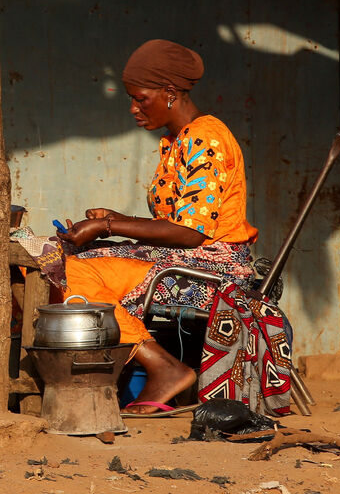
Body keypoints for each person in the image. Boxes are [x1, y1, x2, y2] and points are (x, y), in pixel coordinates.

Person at [57, 39, 257, 415]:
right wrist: (112, 219)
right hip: (187, 257)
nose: (133, 109)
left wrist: (109, 226)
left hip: (214, 271)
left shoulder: (205, 139)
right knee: (62, 259)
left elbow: (192, 233)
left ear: (169, 93)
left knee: (73, 270)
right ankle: (145, 365)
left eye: (141, 98)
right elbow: (178, 223)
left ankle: (162, 366)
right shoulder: (175, 140)